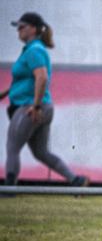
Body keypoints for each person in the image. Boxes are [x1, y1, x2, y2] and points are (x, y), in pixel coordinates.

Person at [1, 12, 89, 191]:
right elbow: (25, 79)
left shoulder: (34, 50)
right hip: (42, 106)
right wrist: (4, 93)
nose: (18, 30)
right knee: (41, 152)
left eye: (22, 26)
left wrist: (36, 106)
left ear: (33, 29)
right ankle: (76, 181)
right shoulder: (33, 49)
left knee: (12, 147)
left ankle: (8, 191)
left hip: (30, 106)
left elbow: (41, 77)